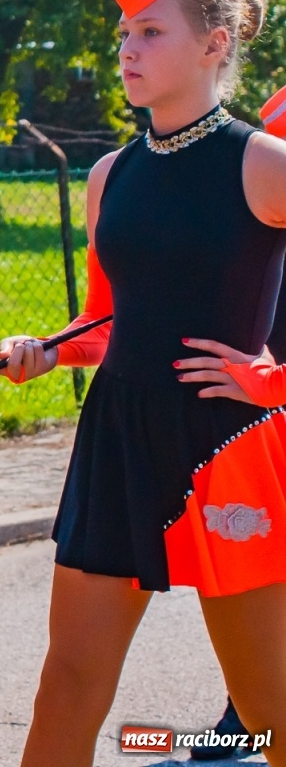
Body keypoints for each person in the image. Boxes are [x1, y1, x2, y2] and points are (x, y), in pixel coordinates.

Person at [0, 0, 286, 766]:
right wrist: (50, 348)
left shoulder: (261, 164)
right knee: (68, 685)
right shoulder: (109, 176)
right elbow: (109, 321)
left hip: (224, 447)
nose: (127, 50)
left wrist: (280, 378)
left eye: (150, 32)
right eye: (124, 33)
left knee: (271, 712)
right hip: (118, 441)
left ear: (214, 45)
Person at [150, 81, 286, 763]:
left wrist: (276, 379)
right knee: (255, 588)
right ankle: (248, 706)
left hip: (269, 413)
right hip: (256, 430)